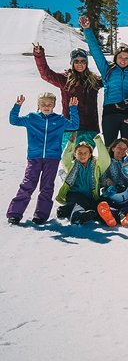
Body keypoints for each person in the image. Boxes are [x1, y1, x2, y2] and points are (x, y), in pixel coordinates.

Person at [80, 16, 128, 143]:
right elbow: (96, 52)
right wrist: (87, 30)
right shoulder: (107, 70)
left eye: (126, 58)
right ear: (115, 58)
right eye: (121, 57)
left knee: (127, 147)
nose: (123, 60)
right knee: (110, 147)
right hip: (110, 112)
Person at [7, 93, 79, 225]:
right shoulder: (31, 118)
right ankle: (14, 214)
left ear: (54, 105)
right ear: (38, 105)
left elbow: (74, 125)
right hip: (34, 157)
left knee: (47, 186)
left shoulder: (60, 119)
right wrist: (17, 106)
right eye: (43, 104)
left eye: (49, 104)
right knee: (27, 184)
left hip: (52, 158)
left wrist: (73, 109)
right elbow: (14, 120)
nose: (46, 106)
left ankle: (41, 215)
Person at [33, 44, 101, 147]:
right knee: (68, 160)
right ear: (72, 63)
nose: (80, 64)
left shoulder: (94, 80)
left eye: (83, 61)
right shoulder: (65, 80)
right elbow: (46, 74)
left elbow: (109, 77)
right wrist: (39, 55)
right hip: (70, 128)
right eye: (76, 61)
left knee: (87, 160)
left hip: (90, 127)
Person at [55, 133, 111, 225]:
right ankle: (77, 217)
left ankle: (66, 210)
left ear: (90, 155)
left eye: (85, 153)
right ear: (75, 154)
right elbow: (65, 158)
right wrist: (71, 143)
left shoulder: (96, 165)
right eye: (79, 153)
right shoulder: (72, 165)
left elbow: (106, 160)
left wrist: (98, 141)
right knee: (79, 203)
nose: (82, 155)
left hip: (90, 196)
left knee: (98, 205)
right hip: (74, 194)